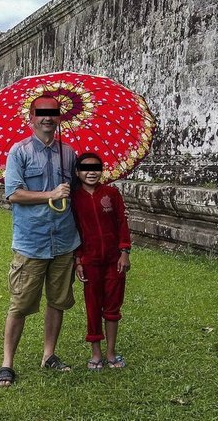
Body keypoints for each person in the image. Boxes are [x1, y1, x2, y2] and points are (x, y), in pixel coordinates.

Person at [0, 95, 80, 387]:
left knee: (57, 302)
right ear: (31, 118)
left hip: (64, 241)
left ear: (59, 118)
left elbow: (77, 196)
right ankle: (7, 363)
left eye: (53, 113)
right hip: (31, 241)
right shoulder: (19, 152)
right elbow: (13, 194)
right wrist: (50, 195)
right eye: (41, 113)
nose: (48, 118)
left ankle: (49, 355)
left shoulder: (68, 153)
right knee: (20, 304)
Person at [72, 152, 131, 370]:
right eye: (85, 168)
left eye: (96, 168)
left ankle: (111, 352)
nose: (91, 172)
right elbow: (74, 230)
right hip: (89, 260)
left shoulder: (111, 193)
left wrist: (124, 251)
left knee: (113, 306)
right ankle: (96, 353)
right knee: (93, 306)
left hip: (114, 259)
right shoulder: (73, 199)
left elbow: (121, 223)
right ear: (77, 172)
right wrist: (78, 260)